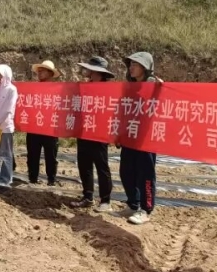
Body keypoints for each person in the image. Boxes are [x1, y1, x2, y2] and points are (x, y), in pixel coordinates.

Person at [70, 57, 114, 212]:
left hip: (99, 134)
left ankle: (105, 201)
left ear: (97, 72)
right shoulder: (84, 87)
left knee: (102, 166)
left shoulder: (108, 90)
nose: (87, 71)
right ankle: (87, 196)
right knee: (84, 164)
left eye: (90, 69)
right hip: (84, 131)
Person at [119, 51, 159, 225]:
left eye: (135, 64)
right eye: (130, 64)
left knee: (145, 174)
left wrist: (159, 87)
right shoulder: (129, 88)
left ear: (145, 67)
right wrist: (118, 133)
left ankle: (145, 209)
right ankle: (133, 204)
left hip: (146, 139)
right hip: (130, 135)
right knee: (126, 171)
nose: (131, 67)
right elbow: (122, 111)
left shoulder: (154, 86)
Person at [26, 60, 61, 186]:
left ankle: (51, 179)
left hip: (50, 128)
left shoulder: (57, 89)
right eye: (38, 71)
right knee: (32, 154)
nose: (39, 73)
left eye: (42, 71)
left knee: (50, 155)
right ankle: (33, 178)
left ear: (50, 73)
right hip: (34, 126)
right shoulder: (33, 88)